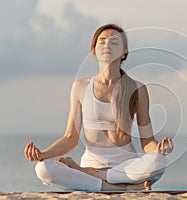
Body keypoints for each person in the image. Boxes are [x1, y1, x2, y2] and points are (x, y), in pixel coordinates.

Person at [24, 24, 174, 191]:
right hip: (91, 163)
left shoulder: (137, 89)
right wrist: (44, 154)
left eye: (114, 42)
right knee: (43, 169)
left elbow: (147, 141)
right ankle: (117, 187)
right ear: (94, 50)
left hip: (125, 168)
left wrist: (159, 149)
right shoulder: (80, 87)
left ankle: (97, 177)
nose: (107, 45)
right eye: (101, 41)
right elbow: (70, 138)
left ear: (124, 52)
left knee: (159, 161)